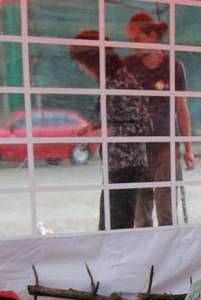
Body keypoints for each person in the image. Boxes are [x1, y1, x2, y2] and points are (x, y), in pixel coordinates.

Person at [69, 29, 150, 231]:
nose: (80, 69)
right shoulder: (113, 82)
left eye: (81, 62)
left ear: (93, 60)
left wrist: (97, 134)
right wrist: (94, 128)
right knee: (110, 227)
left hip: (127, 165)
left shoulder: (121, 83)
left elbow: (142, 125)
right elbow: (121, 120)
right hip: (118, 165)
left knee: (115, 229)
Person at [125, 12, 195, 227]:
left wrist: (188, 148)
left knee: (167, 211)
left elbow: (181, 108)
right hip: (136, 146)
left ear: (152, 35)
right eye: (131, 41)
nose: (133, 46)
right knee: (140, 210)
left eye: (137, 39)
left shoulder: (173, 66)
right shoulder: (127, 66)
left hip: (165, 145)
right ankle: (145, 257)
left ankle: (168, 254)